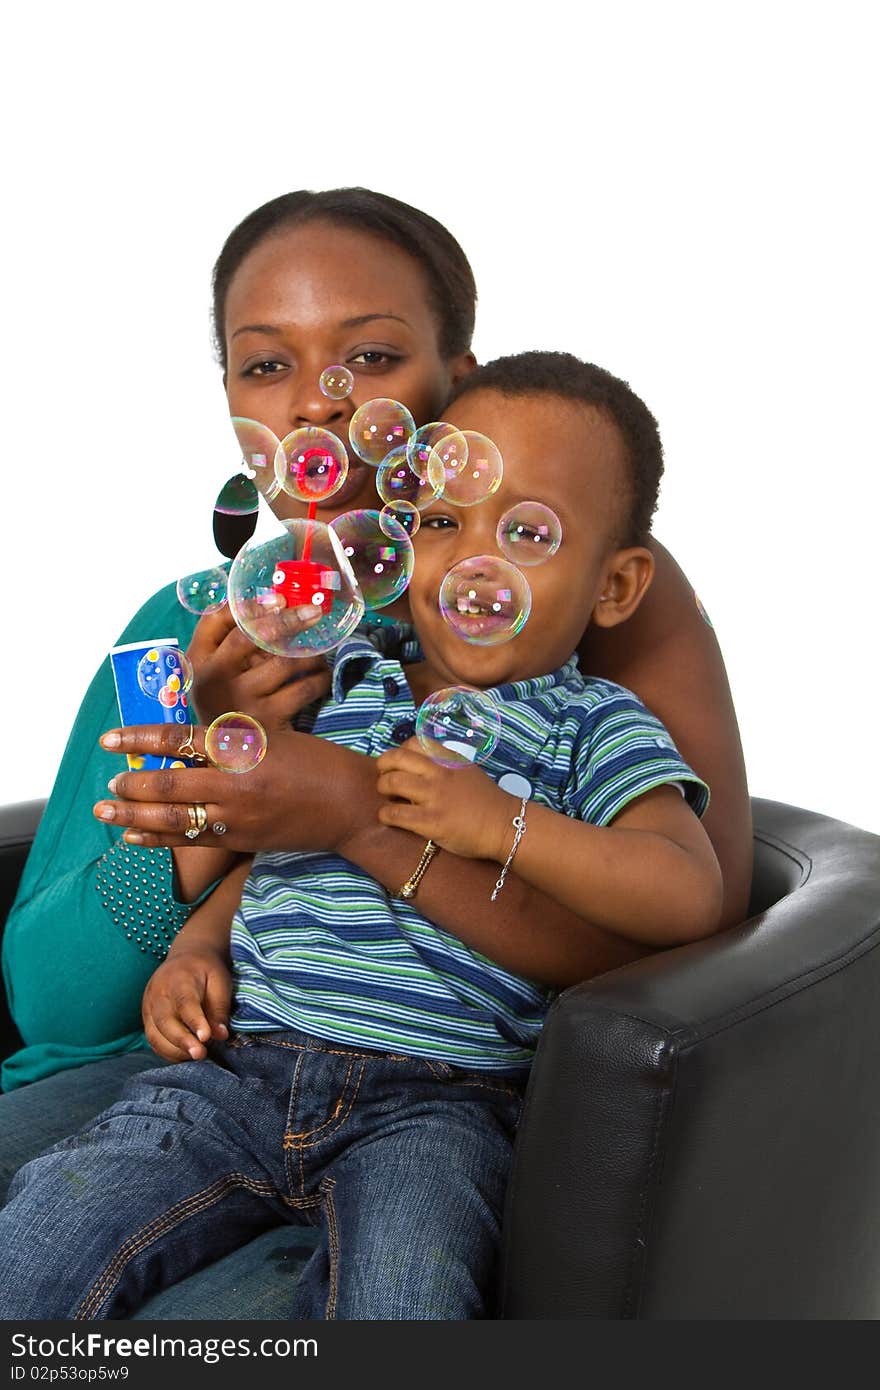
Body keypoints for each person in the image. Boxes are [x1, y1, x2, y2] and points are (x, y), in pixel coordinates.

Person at [0, 188, 750, 1176]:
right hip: (171, 1073)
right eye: (267, 365)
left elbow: (689, 959)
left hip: (432, 1102)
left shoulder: (569, 599)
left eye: (374, 356)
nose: (320, 401)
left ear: (456, 383)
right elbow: (52, 1003)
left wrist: (352, 805)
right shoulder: (183, 631)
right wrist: (206, 814)